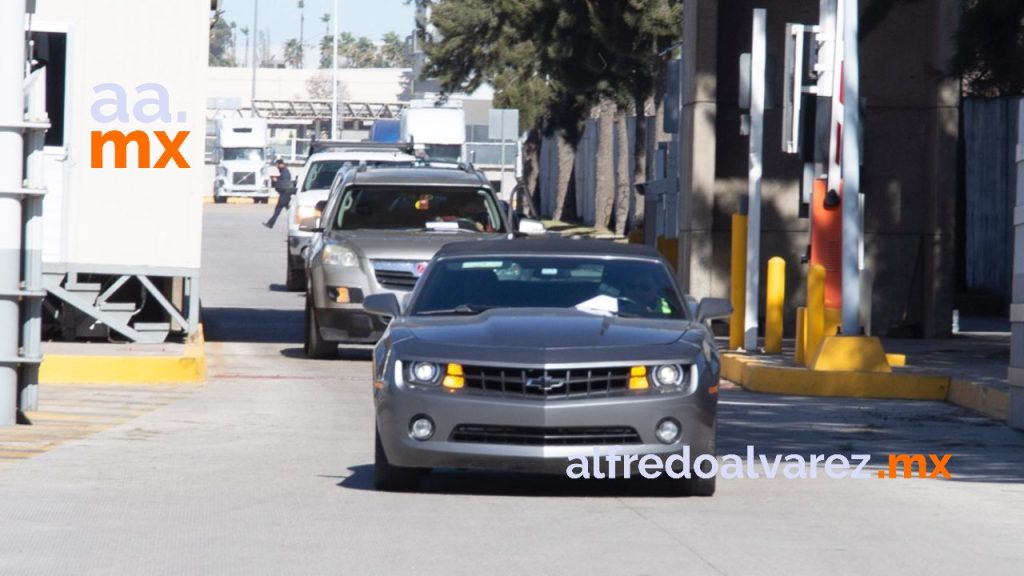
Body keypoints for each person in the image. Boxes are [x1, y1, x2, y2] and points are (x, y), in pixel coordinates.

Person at [263, 158, 294, 228]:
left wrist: (276, 180)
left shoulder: (285, 171)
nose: (277, 167)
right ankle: (270, 223)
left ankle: (270, 223)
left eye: (277, 165)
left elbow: (284, 182)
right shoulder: (283, 171)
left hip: (284, 194)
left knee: (279, 209)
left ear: (280, 164)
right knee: (288, 209)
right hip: (284, 194)